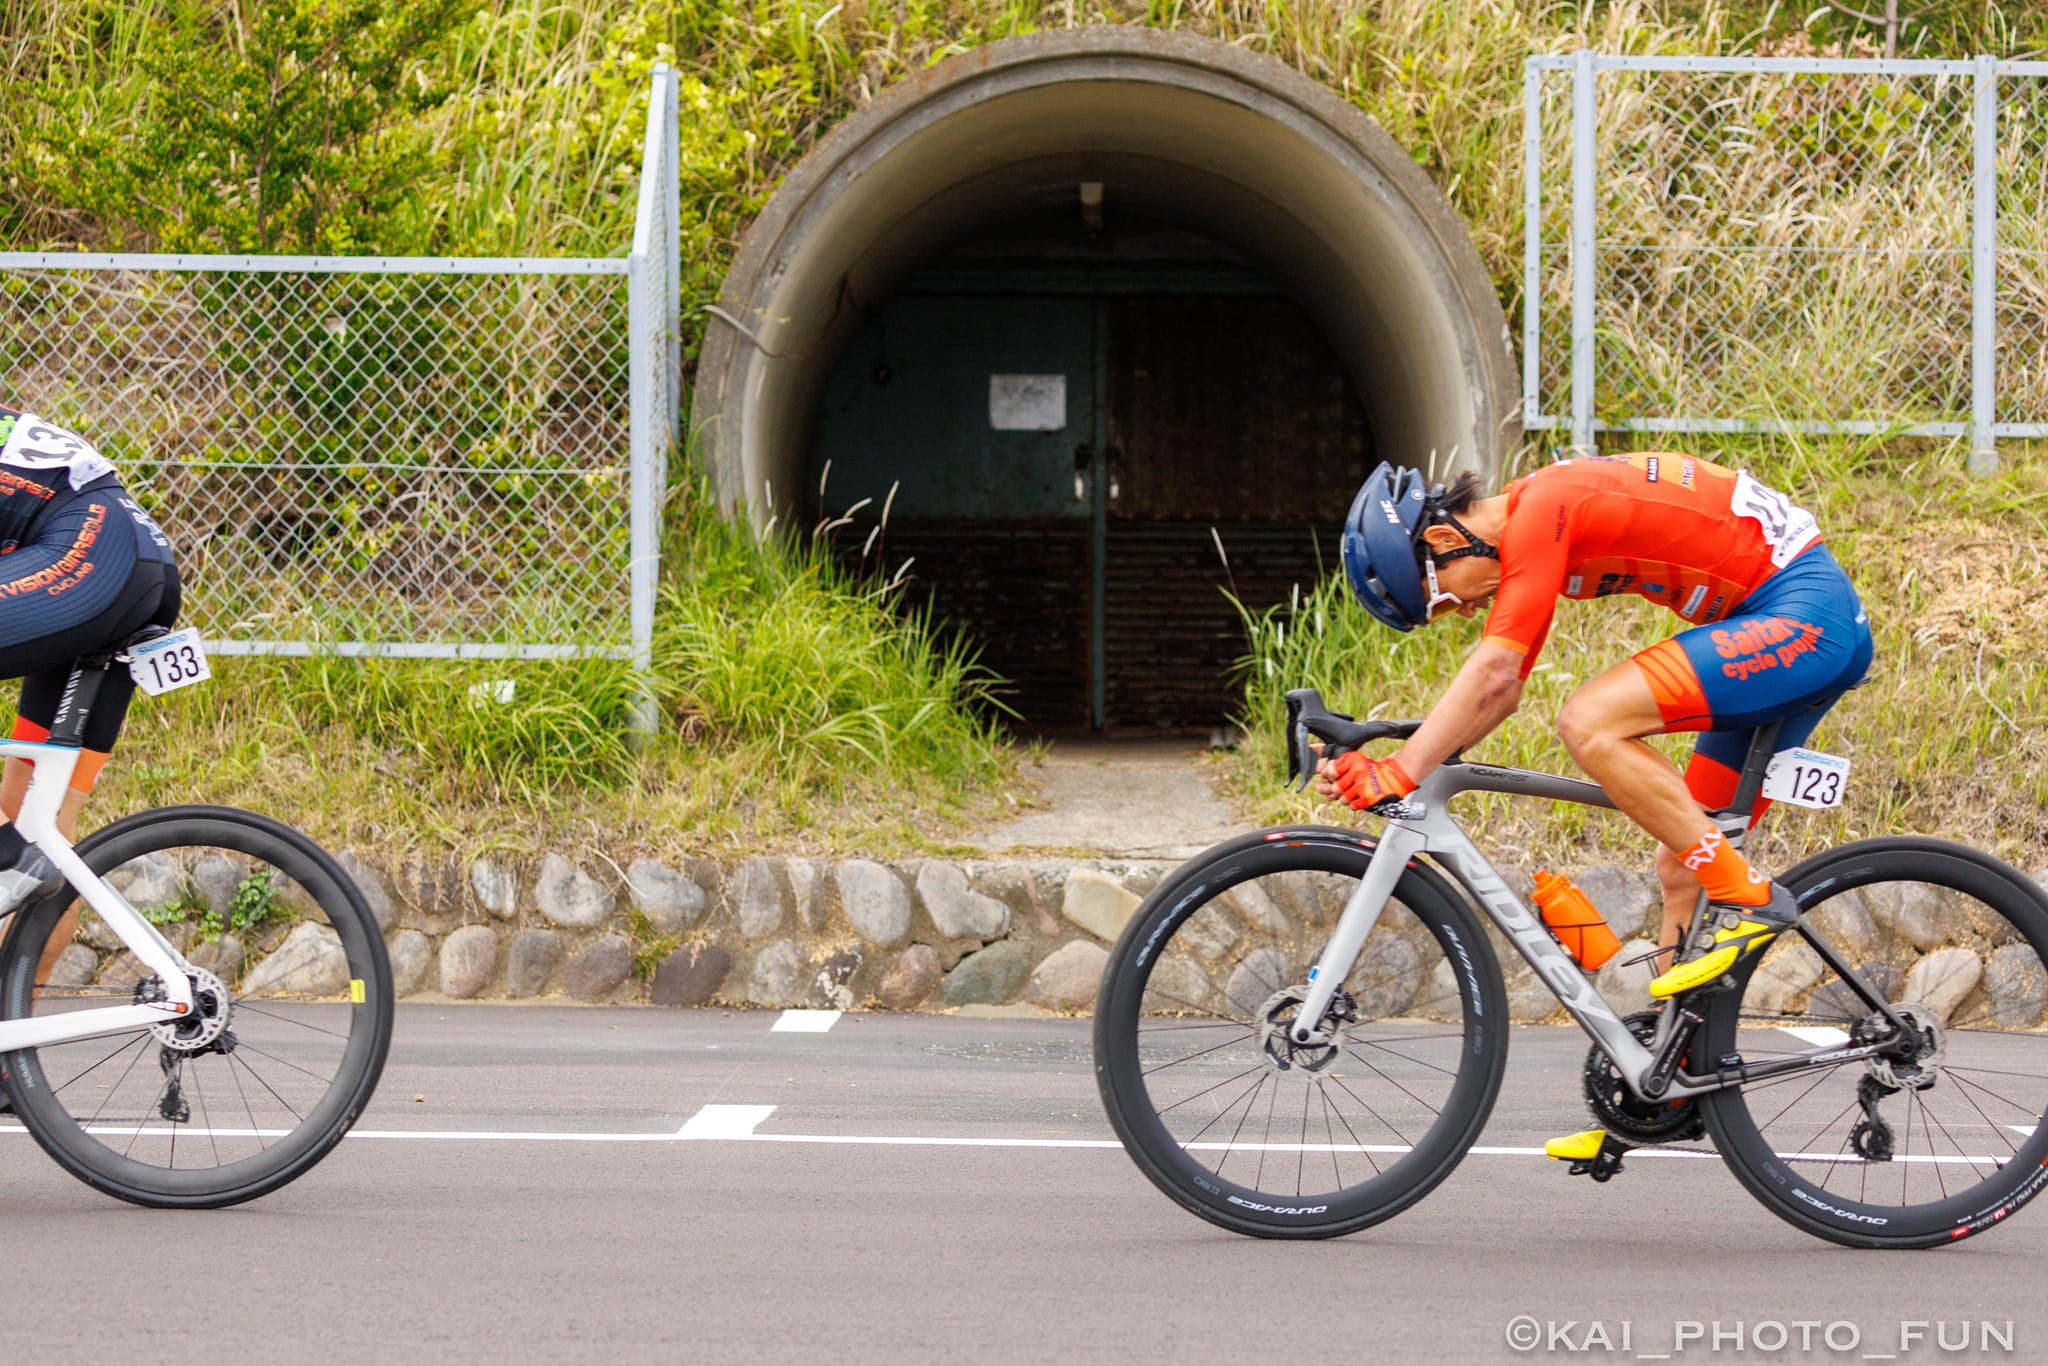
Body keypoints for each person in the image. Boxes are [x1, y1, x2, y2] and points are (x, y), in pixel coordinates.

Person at [1319, 452, 1871, 1080]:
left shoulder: (1541, 511)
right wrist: (1406, 751)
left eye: (1442, 600)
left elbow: (1497, 678)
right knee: (1682, 861)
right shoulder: (1538, 517)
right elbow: (1502, 686)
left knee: (1591, 721)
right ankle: (1673, 1079)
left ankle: (1746, 901)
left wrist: (1397, 772)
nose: (1463, 612)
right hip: (1780, 622)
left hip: (1801, 616)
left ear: (1444, 539)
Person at [0, 403, 181, 972]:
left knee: (24, 847)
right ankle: (10, 1048)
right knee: (38, 827)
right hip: (130, 563)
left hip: (88, 558)